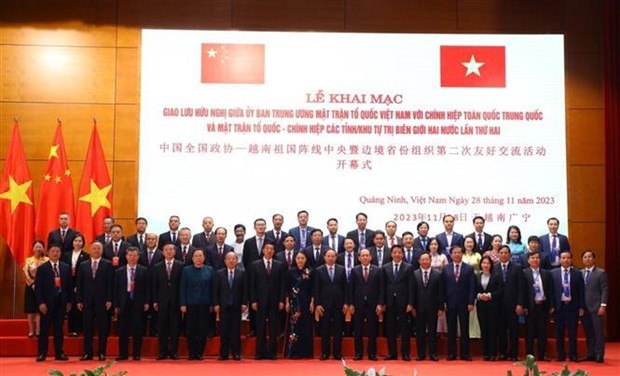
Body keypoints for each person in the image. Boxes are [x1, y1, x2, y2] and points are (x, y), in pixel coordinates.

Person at [76, 241, 114, 361]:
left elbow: (110, 284)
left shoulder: (108, 264)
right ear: (90, 250)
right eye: (94, 248)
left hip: (103, 301)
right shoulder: (83, 265)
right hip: (86, 301)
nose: (96, 250)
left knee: (103, 328)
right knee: (87, 328)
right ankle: (88, 352)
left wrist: (109, 299)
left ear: (102, 251)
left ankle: (102, 352)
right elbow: (79, 284)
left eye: (99, 248)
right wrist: (79, 300)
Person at [34, 244, 71, 361]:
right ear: (48, 253)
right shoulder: (42, 268)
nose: (55, 253)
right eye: (53, 251)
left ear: (60, 253)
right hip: (47, 303)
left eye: (57, 251)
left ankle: (59, 353)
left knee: (59, 329)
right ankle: (42, 353)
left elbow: (69, 286)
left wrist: (69, 301)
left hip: (61, 302)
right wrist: (41, 303)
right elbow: (38, 288)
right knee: (44, 329)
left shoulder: (65, 267)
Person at [249, 241, 286, 360]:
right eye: (267, 249)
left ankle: (272, 352)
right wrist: (253, 300)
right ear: (263, 250)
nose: (269, 251)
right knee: (260, 327)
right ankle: (260, 352)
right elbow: (252, 284)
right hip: (260, 300)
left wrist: (281, 300)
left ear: (274, 251)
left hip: (275, 301)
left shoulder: (279, 265)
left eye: (272, 249)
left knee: (273, 327)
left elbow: (282, 285)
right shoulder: (255, 264)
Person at [114, 247, 149, 361]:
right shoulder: (119, 271)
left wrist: (147, 302)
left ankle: (136, 353)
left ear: (138, 257)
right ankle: (123, 354)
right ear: (126, 257)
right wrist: (116, 305)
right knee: (123, 330)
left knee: (138, 329)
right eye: (130, 255)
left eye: (135, 255)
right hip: (124, 302)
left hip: (138, 303)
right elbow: (116, 289)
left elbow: (148, 288)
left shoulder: (144, 270)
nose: (132, 258)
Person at [179, 249, 215, 360]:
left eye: (200, 256)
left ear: (204, 258)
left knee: (202, 329)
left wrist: (213, 303)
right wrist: (182, 303)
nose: (198, 258)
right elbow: (182, 287)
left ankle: (199, 353)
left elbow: (213, 288)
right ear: (192, 258)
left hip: (205, 304)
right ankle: (191, 352)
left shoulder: (210, 270)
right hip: (190, 304)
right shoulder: (186, 270)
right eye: (196, 256)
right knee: (190, 329)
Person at [442, 245, 476, 361]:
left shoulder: (469, 268)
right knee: (451, 329)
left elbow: (472, 287)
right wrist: (443, 303)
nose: (457, 255)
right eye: (454, 253)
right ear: (451, 255)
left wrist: (471, 302)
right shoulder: (446, 268)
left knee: (464, 328)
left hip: (464, 303)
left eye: (459, 252)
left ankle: (465, 353)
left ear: (462, 254)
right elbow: (443, 288)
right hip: (450, 303)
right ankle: (451, 353)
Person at [314, 248, 348, 360]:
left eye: (332, 256)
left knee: (338, 329)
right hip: (324, 305)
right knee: (325, 330)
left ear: (336, 257)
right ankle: (325, 353)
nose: (330, 258)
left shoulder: (342, 269)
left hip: (339, 304)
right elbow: (317, 289)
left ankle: (337, 353)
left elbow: (345, 287)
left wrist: (345, 303)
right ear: (324, 257)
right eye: (328, 256)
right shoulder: (318, 270)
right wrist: (317, 304)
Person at [551, 250, 585, 362]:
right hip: (559, 307)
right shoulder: (553, 273)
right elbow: (550, 292)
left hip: (572, 307)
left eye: (568, 258)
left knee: (572, 332)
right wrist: (552, 306)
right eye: (563, 258)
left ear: (571, 260)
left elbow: (581, 291)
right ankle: (560, 355)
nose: (566, 260)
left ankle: (573, 355)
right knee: (559, 333)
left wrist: (581, 306)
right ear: (560, 260)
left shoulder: (577, 273)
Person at [152, 242, 184, 360]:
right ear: (163, 252)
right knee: (162, 327)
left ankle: (174, 352)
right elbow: (154, 285)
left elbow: (182, 285)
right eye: (166, 250)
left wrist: (182, 302)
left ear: (175, 252)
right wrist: (155, 300)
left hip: (176, 301)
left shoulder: (181, 265)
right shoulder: (157, 266)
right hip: (161, 301)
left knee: (175, 328)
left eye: (171, 250)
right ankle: (162, 351)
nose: (169, 252)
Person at [350, 249, 383, 361]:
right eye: (362, 256)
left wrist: (380, 303)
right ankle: (358, 353)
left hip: (372, 304)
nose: (365, 257)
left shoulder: (378, 270)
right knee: (358, 330)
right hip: (358, 304)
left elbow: (381, 288)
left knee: (372, 330)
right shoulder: (354, 270)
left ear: (370, 257)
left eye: (367, 255)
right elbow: (351, 288)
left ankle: (372, 354)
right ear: (359, 258)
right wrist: (351, 304)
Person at [382, 244, 413, 361]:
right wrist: (382, 302)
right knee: (390, 329)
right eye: (395, 252)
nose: (397, 254)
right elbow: (383, 287)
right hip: (389, 303)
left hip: (404, 303)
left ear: (402, 254)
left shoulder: (408, 267)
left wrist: (410, 303)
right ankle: (392, 353)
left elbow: (411, 286)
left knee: (404, 329)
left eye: (399, 252)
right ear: (391, 254)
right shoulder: (385, 267)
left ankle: (405, 353)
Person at [213, 252, 247, 361]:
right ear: (225, 261)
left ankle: (236, 353)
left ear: (237, 260)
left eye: (233, 259)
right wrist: (216, 304)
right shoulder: (219, 273)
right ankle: (224, 354)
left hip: (236, 306)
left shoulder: (242, 273)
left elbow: (245, 291)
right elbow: (215, 290)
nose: (231, 261)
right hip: (224, 306)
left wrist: (244, 303)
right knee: (224, 331)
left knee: (236, 331)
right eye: (229, 259)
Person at [522, 251, 554, 361]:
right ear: (528, 260)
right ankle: (529, 355)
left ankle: (542, 354)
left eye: (537, 258)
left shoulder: (546, 273)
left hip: (543, 306)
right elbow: (522, 292)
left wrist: (551, 305)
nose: (535, 260)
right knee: (529, 332)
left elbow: (550, 290)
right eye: (532, 258)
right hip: (530, 307)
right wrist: (523, 306)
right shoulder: (524, 273)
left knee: (542, 332)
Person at [412, 252, 443, 361]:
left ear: (430, 261)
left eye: (427, 259)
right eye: (423, 260)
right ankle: (421, 354)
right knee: (420, 332)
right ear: (419, 261)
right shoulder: (414, 274)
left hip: (433, 307)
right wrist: (413, 306)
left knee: (432, 332)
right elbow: (412, 292)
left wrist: (440, 308)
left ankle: (433, 353)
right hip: (419, 308)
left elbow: (440, 293)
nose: (425, 261)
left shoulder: (438, 274)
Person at [496, 245, 524, 361]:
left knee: (514, 330)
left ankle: (513, 354)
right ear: (498, 254)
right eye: (501, 253)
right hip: (498, 305)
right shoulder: (495, 268)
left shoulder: (517, 268)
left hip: (513, 304)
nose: (503, 255)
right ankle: (502, 352)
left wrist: (520, 303)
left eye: (506, 253)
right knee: (501, 330)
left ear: (510, 254)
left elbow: (521, 288)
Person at [285, 252, 314, 359]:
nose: (300, 260)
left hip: (306, 301)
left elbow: (313, 288)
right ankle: (293, 352)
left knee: (306, 326)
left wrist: (312, 301)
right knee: (294, 327)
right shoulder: (290, 271)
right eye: (298, 258)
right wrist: (287, 301)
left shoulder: (310, 271)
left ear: (306, 259)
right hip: (294, 302)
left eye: (302, 258)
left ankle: (305, 352)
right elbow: (287, 288)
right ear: (295, 259)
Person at [580, 250, 608, 363]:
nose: (587, 259)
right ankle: (590, 353)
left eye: (590, 257)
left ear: (594, 259)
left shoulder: (601, 272)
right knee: (588, 332)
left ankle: (599, 354)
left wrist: (603, 305)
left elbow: (605, 290)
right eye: (585, 257)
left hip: (597, 307)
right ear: (582, 260)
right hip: (584, 308)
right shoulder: (579, 272)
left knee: (598, 332)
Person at [242, 218, 268, 337]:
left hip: (267, 276)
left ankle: (266, 328)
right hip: (252, 276)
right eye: (258, 225)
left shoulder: (270, 241)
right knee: (253, 301)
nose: (261, 227)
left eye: (263, 225)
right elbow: (245, 260)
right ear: (254, 227)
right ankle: (253, 328)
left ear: (266, 226)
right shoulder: (248, 242)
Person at [61, 234, 89, 337]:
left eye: (80, 241)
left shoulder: (86, 255)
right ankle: (70, 329)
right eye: (76, 241)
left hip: (80, 283)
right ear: (72, 242)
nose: (78, 243)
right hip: (68, 282)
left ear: (83, 243)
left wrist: (79, 285)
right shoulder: (66, 255)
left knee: (78, 306)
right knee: (70, 305)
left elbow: (85, 272)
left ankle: (78, 328)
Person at [476, 256, 503, 361]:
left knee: (493, 329)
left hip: (493, 306)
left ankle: (493, 353)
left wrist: (490, 295)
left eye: (487, 263)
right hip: (481, 305)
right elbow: (473, 290)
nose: (485, 265)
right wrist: (479, 296)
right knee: (484, 329)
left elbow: (500, 290)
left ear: (491, 265)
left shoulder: (496, 276)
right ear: (481, 265)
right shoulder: (477, 276)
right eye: (483, 263)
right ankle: (485, 353)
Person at [139, 233, 163, 337]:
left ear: (156, 241)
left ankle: (155, 331)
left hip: (157, 285)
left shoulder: (162, 254)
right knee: (142, 310)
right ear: (145, 241)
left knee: (156, 310)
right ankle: (143, 331)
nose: (150, 241)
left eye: (153, 239)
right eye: (148, 239)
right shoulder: (140, 254)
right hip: (143, 285)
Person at [23, 240, 48, 338]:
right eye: (36, 247)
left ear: (43, 248)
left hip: (42, 287)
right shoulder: (28, 260)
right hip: (30, 287)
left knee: (39, 309)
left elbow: (48, 274)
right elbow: (26, 273)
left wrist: (41, 284)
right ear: (33, 249)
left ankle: (38, 330)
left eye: (40, 247)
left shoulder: (46, 260)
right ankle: (31, 330)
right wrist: (32, 284)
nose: (38, 249)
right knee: (30, 310)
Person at [462, 235, 482, 340]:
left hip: (475, 283)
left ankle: (474, 332)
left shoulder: (478, 255)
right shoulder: (460, 255)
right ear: (464, 244)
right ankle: (462, 332)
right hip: (462, 284)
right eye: (467, 242)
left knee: (473, 307)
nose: (469, 244)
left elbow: (482, 268)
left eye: (471, 242)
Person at [427, 238, 448, 335]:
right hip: (428, 285)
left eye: (435, 244)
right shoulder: (426, 256)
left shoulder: (443, 256)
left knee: (440, 306)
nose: (434, 246)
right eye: (431, 244)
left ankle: (441, 332)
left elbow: (447, 271)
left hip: (441, 284)